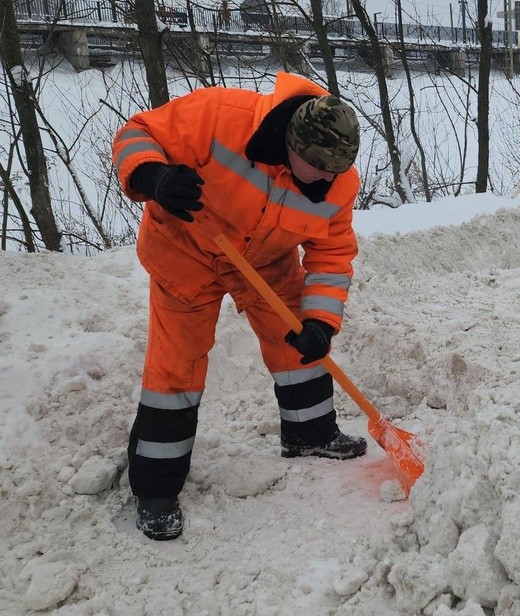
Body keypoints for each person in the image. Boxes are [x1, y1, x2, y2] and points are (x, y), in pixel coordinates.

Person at [112, 72, 367, 541]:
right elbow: (136, 134)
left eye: (338, 171)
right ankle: (156, 490)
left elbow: (332, 256)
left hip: (266, 258)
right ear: (291, 145)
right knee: (176, 369)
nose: (329, 180)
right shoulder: (220, 117)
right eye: (320, 169)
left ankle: (309, 435)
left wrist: (321, 321)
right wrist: (154, 176)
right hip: (187, 248)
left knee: (297, 344)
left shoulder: (338, 183)